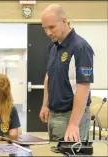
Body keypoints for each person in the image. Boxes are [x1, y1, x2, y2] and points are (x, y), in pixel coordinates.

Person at [39, 4, 94, 142]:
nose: (48, 33)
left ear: (64, 21)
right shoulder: (53, 46)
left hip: (71, 116)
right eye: (45, 28)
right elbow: (48, 77)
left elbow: (83, 87)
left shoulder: (80, 47)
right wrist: (45, 105)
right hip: (54, 114)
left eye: (52, 27)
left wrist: (74, 124)